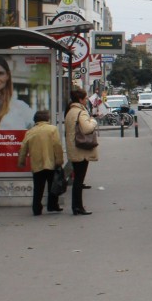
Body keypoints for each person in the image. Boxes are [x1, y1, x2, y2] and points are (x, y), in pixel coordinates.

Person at [17, 110, 65, 216]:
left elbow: (23, 148)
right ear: (47, 119)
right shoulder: (52, 129)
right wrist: (59, 160)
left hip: (37, 163)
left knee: (38, 187)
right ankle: (53, 205)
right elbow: (57, 146)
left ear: (35, 120)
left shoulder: (30, 132)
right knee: (52, 185)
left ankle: (37, 208)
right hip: (51, 162)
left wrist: (21, 161)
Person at [64, 86, 98, 216]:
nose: (87, 100)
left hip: (73, 148)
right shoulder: (81, 112)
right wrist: (93, 121)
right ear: (80, 99)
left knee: (77, 179)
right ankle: (78, 206)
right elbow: (87, 128)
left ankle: (76, 206)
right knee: (79, 180)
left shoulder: (70, 112)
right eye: (85, 98)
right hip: (81, 149)